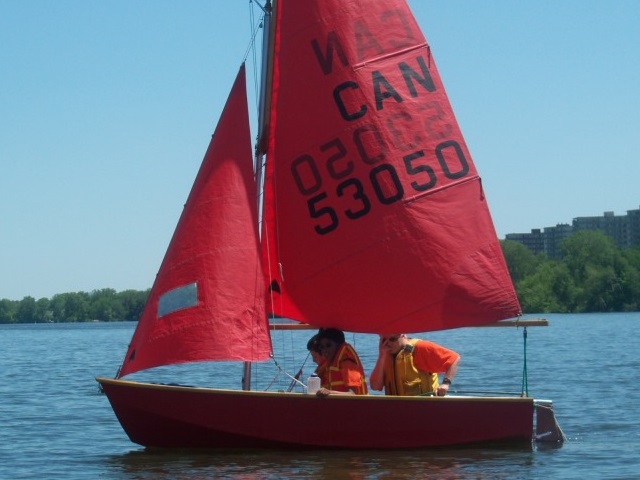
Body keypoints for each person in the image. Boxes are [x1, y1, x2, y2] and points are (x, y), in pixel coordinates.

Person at [369, 334, 460, 397]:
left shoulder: (420, 348)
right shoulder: (385, 355)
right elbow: (375, 386)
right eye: (383, 340)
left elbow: (454, 358)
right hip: (396, 410)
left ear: (403, 335)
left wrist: (445, 384)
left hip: (424, 408)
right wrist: (381, 356)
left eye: (392, 339)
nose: (387, 343)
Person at [314, 328, 368, 397]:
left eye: (328, 345)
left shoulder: (347, 362)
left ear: (338, 345)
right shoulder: (329, 364)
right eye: (322, 347)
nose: (325, 350)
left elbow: (353, 394)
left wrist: (329, 392)